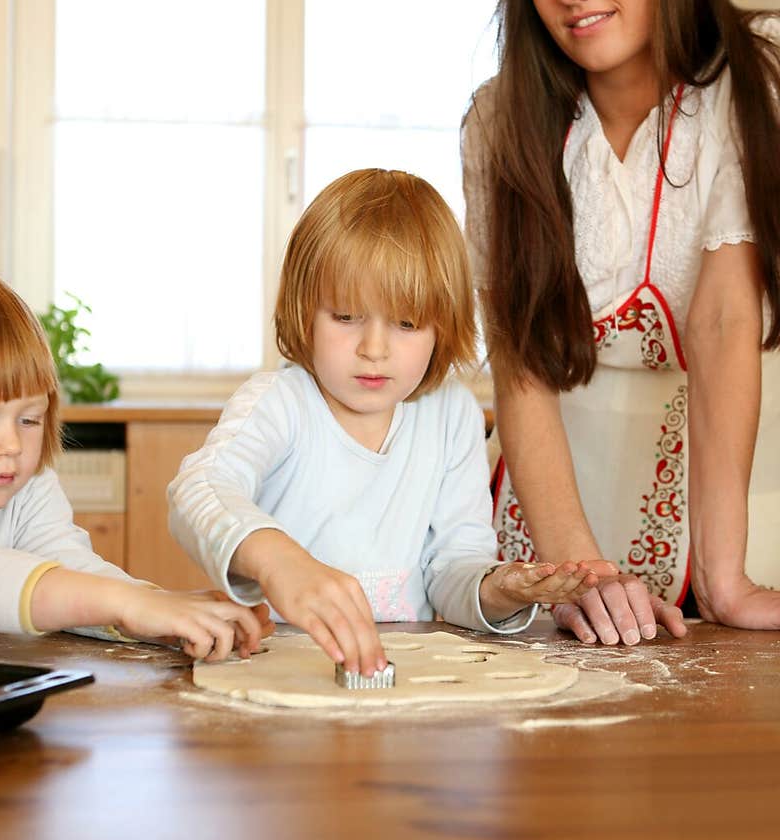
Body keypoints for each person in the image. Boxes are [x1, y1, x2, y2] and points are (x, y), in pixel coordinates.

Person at [462, 0, 780, 648]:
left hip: (724, 480)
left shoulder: (752, 83)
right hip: (550, 485)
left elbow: (722, 323)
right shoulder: (501, 122)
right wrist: (575, 567)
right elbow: (522, 361)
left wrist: (725, 575)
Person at [168, 167, 599, 677]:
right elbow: (198, 489)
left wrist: (498, 589)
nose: (374, 349)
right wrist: (279, 561)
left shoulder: (450, 414)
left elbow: (452, 569)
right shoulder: (278, 403)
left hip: (401, 677)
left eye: (407, 323)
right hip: (283, 670)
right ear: (304, 310)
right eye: (346, 315)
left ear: (444, 326)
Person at [0, 266, 271, 660]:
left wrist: (155, 613)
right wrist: (123, 603)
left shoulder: (26, 484)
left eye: (29, 420)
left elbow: (70, 570)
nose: (11, 444)